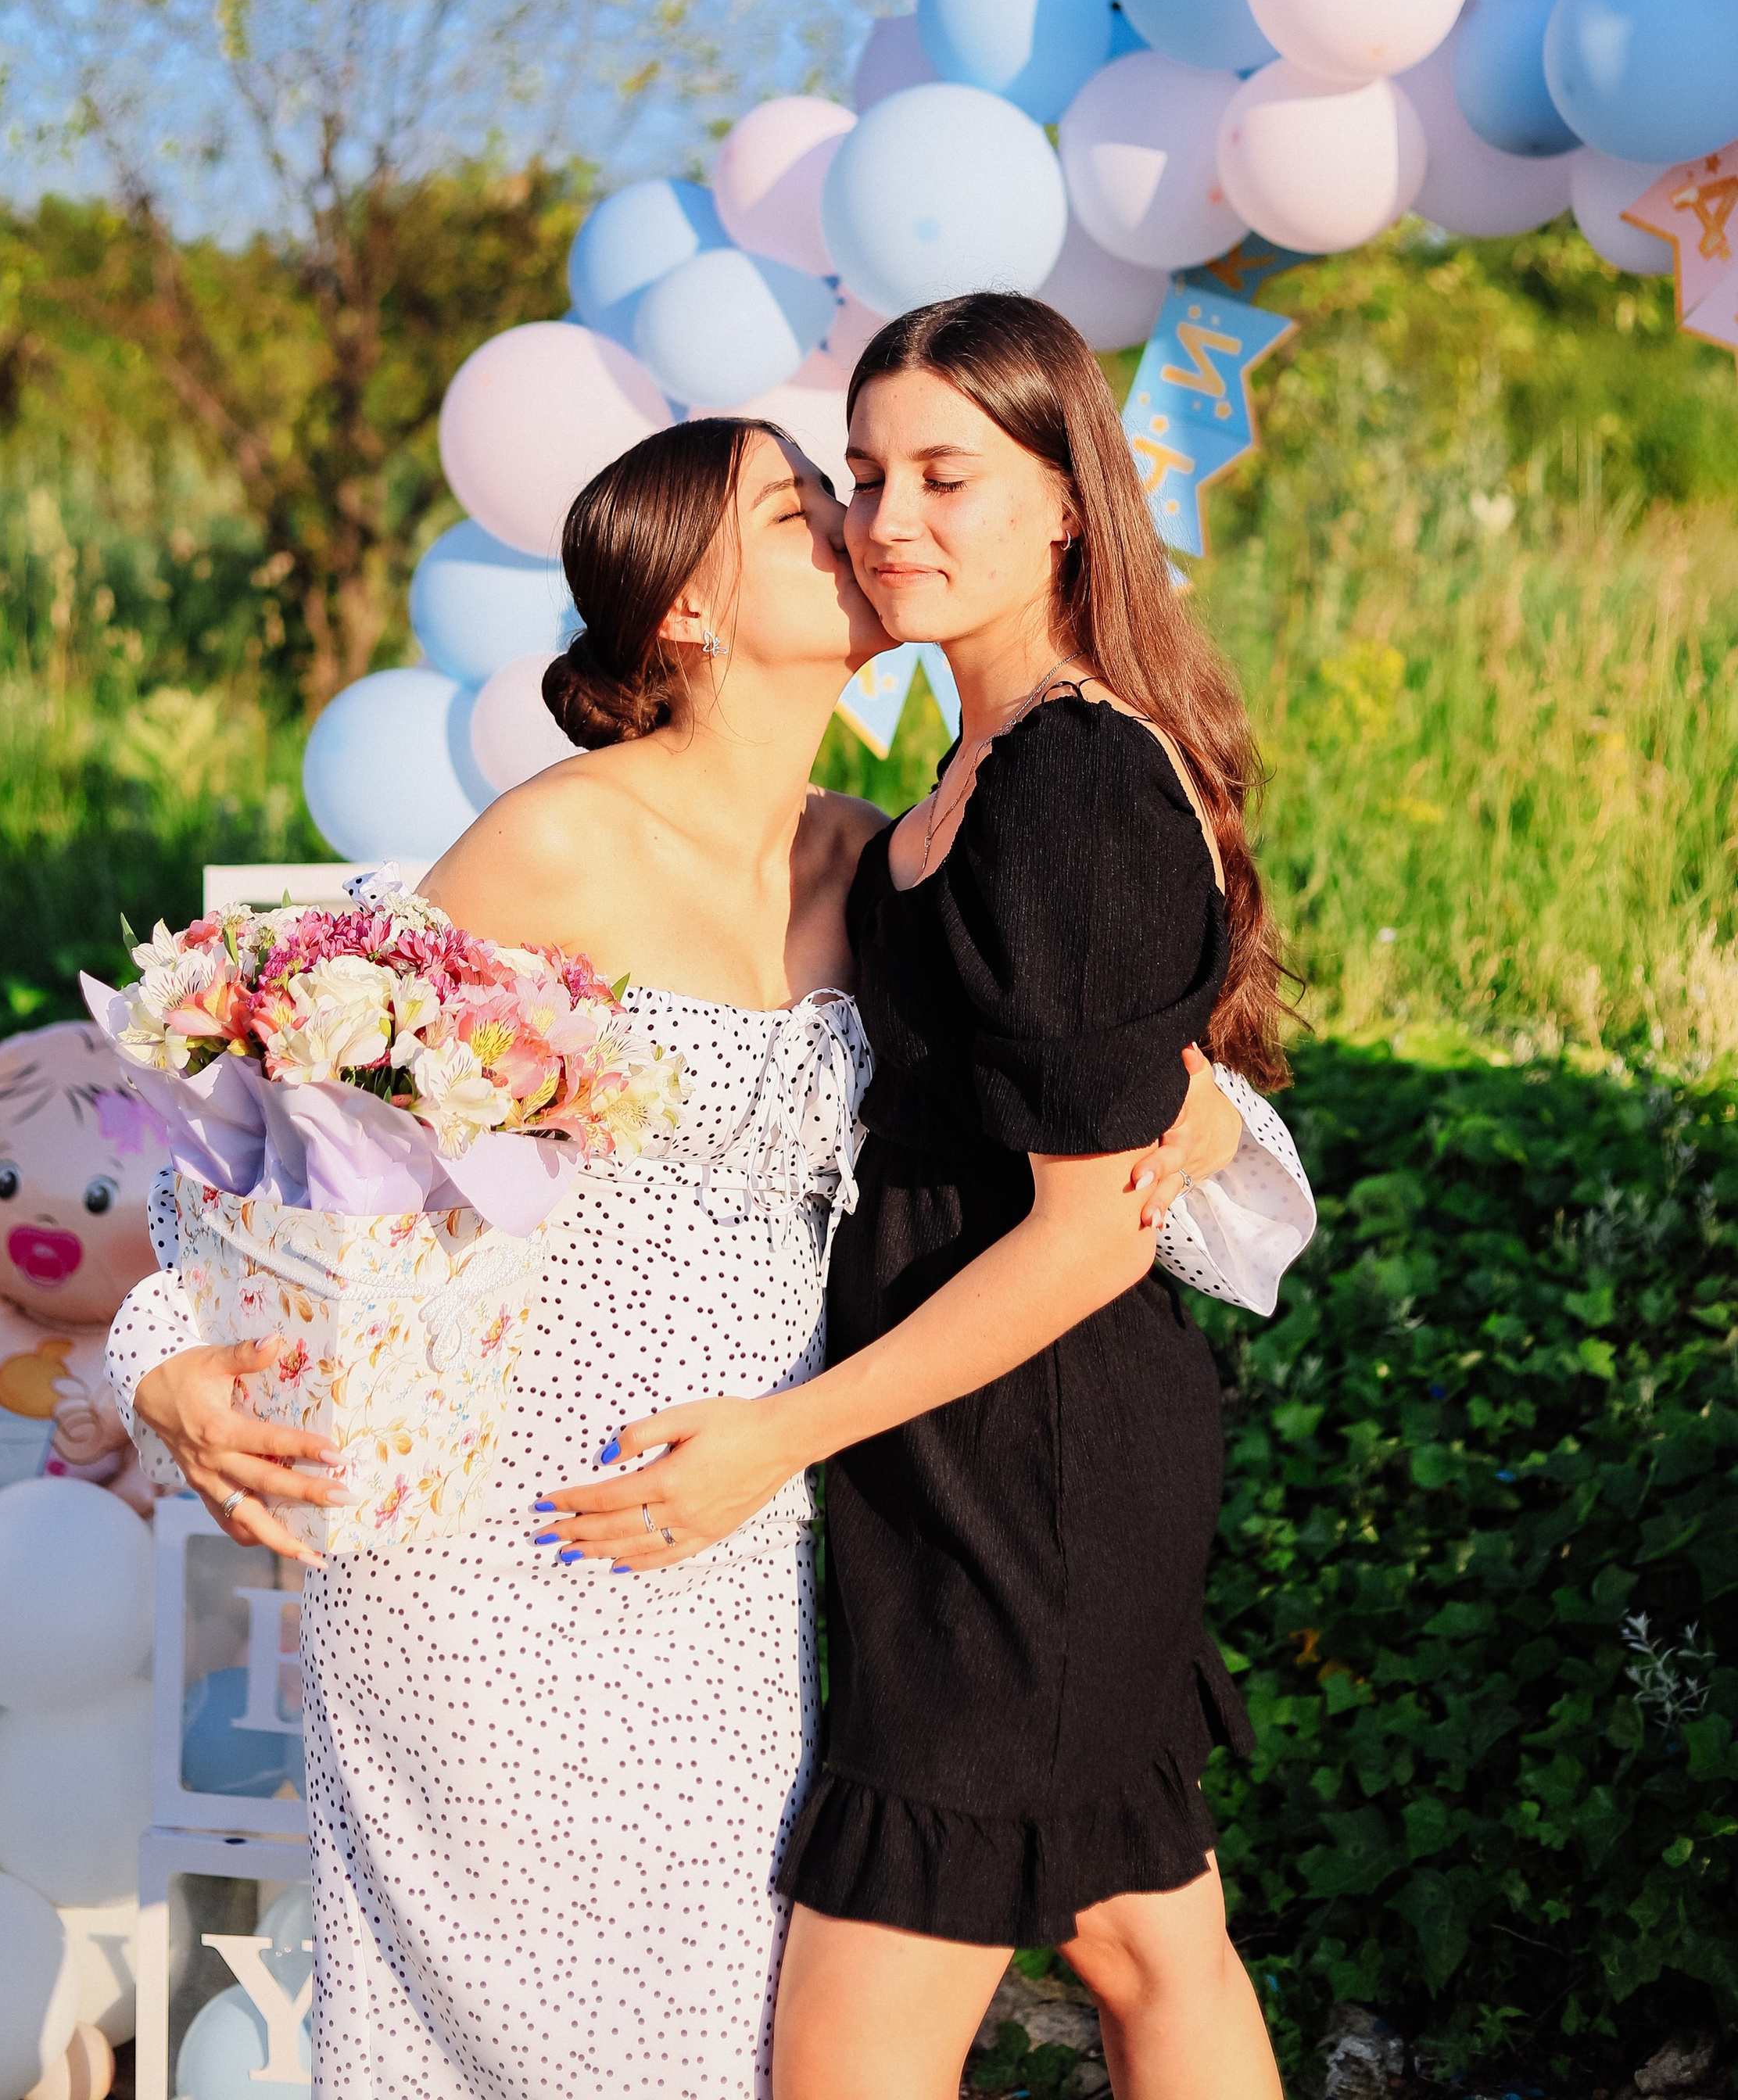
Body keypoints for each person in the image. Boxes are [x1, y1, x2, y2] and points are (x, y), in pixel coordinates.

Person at [107, 409, 1252, 2099]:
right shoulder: (552, 842)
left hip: (738, 1542)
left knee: (718, 2031)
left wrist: (1212, 1111)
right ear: (686, 610)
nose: (861, 528)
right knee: (514, 2040)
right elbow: (284, 1150)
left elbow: (1065, 1074)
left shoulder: (873, 857)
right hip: (496, 1541)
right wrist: (159, 1358)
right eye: (806, 508)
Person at [538, 297, 1313, 2100]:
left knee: (861, 2046)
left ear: (1062, 500)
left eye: (944, 475)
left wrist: (774, 1438)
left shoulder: (1072, 784)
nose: (886, 520)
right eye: (864, 474)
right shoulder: (937, 788)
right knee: (1146, 1938)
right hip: (957, 1444)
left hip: (1030, 1468)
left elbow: (1082, 1225)